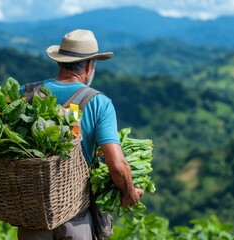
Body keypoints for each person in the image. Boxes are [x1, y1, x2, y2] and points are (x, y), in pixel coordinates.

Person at [18, 29, 144, 240]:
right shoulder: (98, 102)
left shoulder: (25, 93)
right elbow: (117, 165)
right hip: (74, 213)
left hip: (33, 211)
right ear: (89, 65)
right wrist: (129, 192)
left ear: (60, 62)